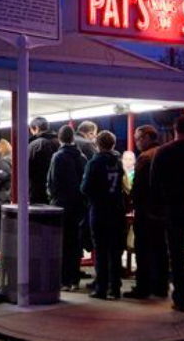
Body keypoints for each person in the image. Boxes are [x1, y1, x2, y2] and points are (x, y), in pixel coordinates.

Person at [150, 115, 184, 312]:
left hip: (173, 209)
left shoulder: (163, 152)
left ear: (174, 129)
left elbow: (154, 183)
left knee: (177, 256)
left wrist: (159, 207)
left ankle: (180, 297)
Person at [124, 125, 168, 300]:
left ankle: (143, 287)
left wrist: (133, 200)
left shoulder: (145, 157)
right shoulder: (164, 153)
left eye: (139, 138)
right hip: (162, 211)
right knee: (160, 249)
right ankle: (161, 286)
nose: (137, 142)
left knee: (143, 250)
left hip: (146, 210)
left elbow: (139, 186)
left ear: (148, 137)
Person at [81, 131, 127, 300]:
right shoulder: (118, 162)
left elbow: (85, 188)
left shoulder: (94, 162)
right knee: (115, 250)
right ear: (113, 144)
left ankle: (101, 288)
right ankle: (115, 287)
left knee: (100, 249)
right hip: (116, 209)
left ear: (98, 144)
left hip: (100, 210)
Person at [48, 125, 88, 291]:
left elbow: (52, 182)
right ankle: (74, 278)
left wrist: (53, 198)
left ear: (60, 138)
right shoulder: (82, 157)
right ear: (73, 138)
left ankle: (64, 280)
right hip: (78, 206)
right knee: (75, 242)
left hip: (62, 205)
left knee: (63, 243)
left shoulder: (57, 156)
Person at [27, 117, 60, 205]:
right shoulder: (59, 142)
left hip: (38, 192)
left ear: (36, 128)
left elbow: (26, 169)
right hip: (57, 192)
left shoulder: (35, 145)